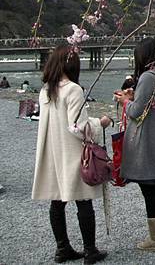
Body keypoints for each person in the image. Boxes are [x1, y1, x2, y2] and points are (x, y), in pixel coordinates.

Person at [31, 45, 111, 264]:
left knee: (57, 202)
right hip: (72, 153)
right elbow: (77, 127)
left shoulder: (47, 89)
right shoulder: (73, 89)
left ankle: (62, 248)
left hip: (53, 152)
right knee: (83, 201)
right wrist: (101, 123)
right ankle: (90, 250)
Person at [114, 38, 155, 253]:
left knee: (148, 186)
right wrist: (134, 97)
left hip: (148, 137)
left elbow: (135, 111)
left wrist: (125, 101)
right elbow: (154, 103)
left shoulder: (148, 77)